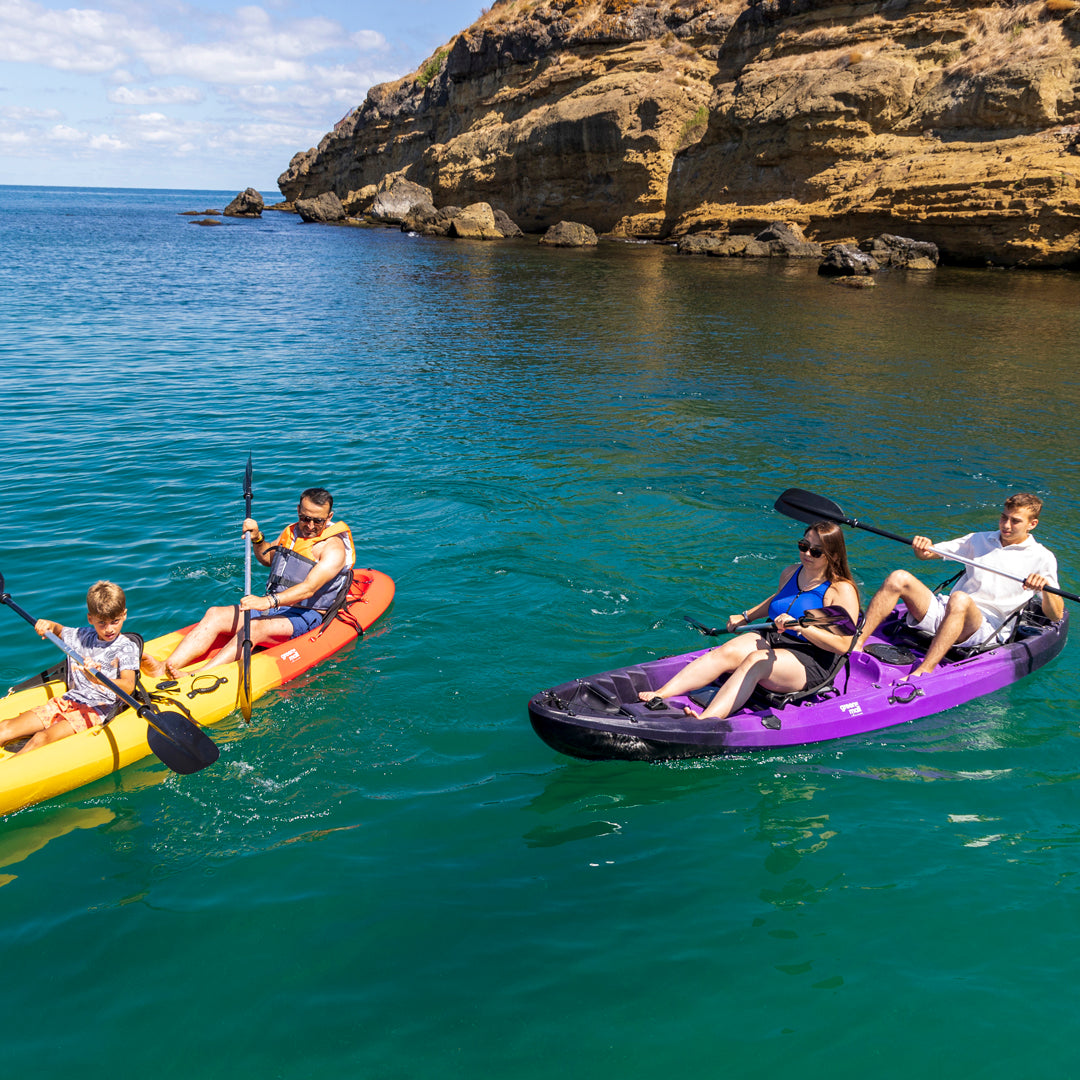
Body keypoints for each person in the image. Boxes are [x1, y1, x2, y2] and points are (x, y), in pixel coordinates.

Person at [640, 521, 861, 720]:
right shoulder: (792, 572)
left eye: (816, 551)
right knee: (725, 651)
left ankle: (708, 720)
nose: (807, 554)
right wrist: (746, 616)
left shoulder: (839, 589)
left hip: (809, 657)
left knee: (755, 661)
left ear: (832, 554)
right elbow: (779, 599)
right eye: (803, 546)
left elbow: (843, 645)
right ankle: (661, 693)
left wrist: (801, 626)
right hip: (774, 636)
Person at [144, 488, 355, 678]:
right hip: (278, 605)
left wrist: (267, 602)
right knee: (215, 614)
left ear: (329, 517)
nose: (310, 526)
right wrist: (257, 538)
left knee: (253, 628)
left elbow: (309, 588)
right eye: (304, 518)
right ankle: (165, 667)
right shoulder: (291, 532)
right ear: (298, 510)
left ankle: (197, 676)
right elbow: (267, 558)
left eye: (317, 521)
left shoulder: (333, 549)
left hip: (307, 614)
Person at [852, 492, 1063, 676]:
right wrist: (922, 547)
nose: (1006, 525)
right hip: (947, 610)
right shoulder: (979, 539)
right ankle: (855, 644)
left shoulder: (1042, 558)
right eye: (1003, 517)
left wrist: (1043, 588)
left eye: (1015, 521)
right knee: (899, 577)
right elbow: (928, 554)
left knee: (961, 599)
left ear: (1032, 524)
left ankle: (925, 670)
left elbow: (1055, 616)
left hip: (986, 627)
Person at [0, 581, 140, 754]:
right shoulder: (82, 635)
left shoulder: (126, 647)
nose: (109, 629)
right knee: (5, 727)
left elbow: (128, 685)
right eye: (102, 623)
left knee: (40, 738)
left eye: (115, 621)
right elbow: (58, 630)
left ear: (124, 615)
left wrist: (98, 680)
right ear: (91, 619)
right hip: (69, 701)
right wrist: (48, 626)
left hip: (98, 709)